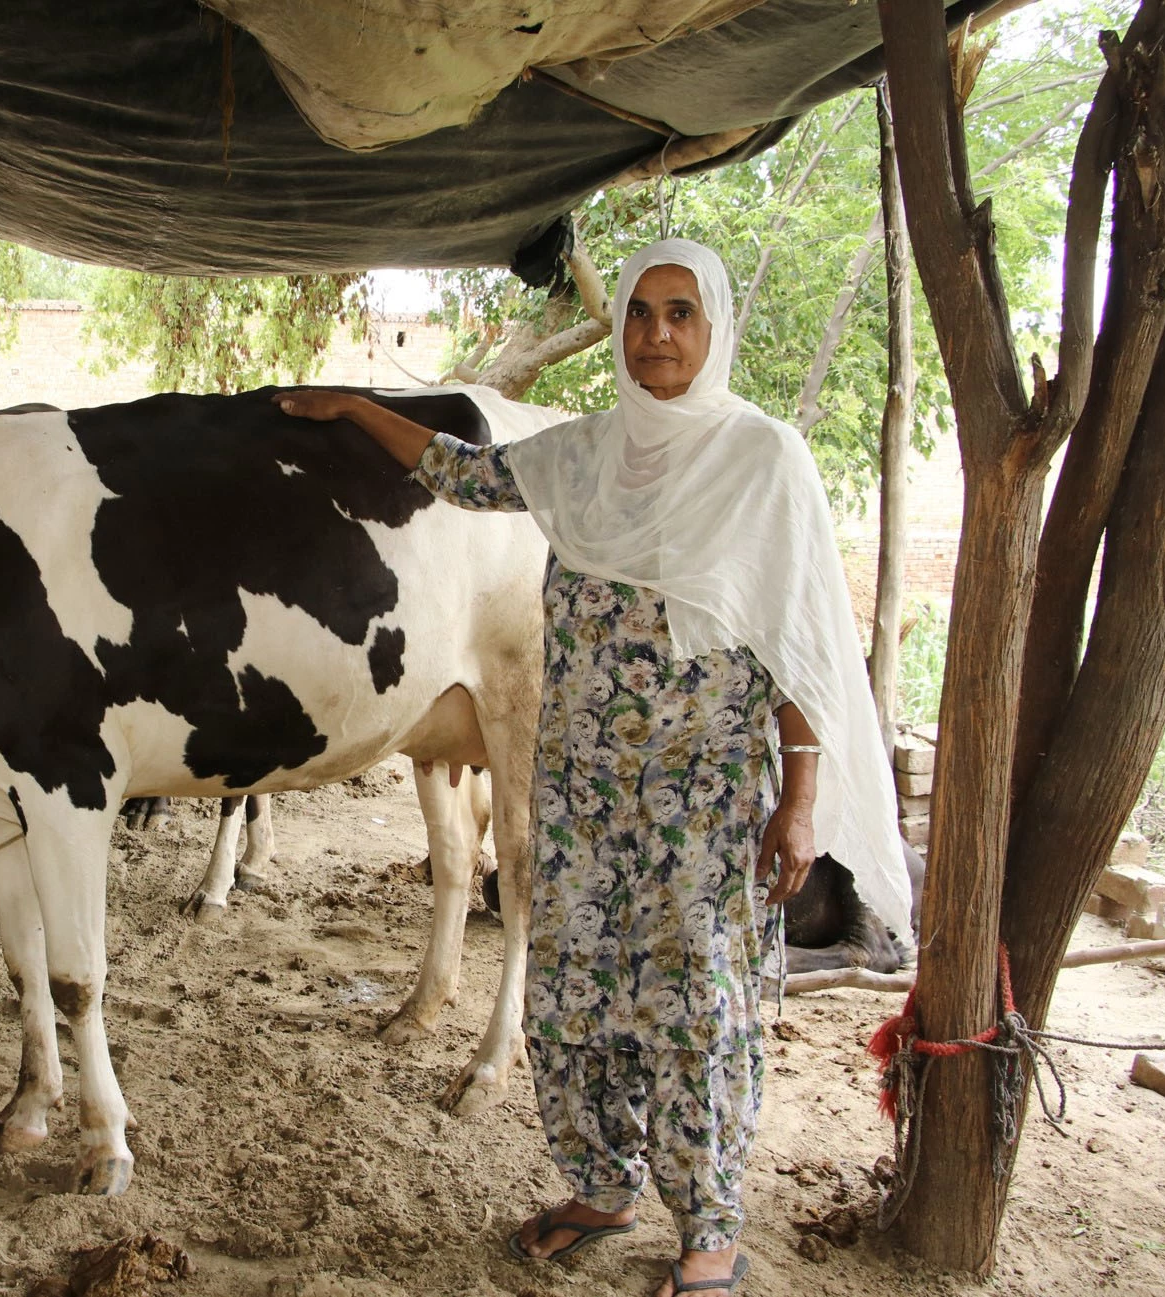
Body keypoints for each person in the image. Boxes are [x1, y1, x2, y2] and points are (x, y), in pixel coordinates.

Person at [274, 239, 906, 1297]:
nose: (655, 334)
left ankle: (709, 1230)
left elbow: (796, 643)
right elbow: (457, 472)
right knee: (573, 999)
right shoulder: (585, 455)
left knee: (694, 1013)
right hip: (577, 798)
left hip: (701, 807)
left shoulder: (761, 462)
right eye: (639, 314)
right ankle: (600, 1187)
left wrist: (796, 800)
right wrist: (351, 406)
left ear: (711, 332)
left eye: (679, 314)